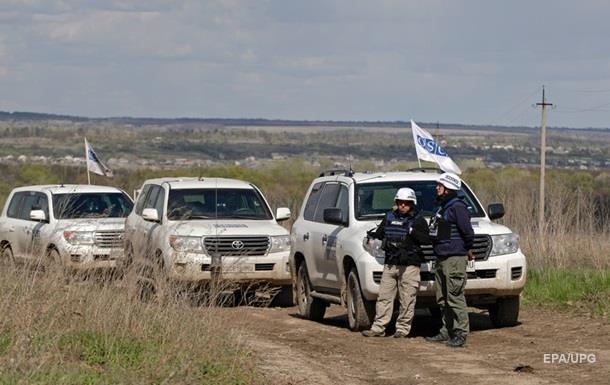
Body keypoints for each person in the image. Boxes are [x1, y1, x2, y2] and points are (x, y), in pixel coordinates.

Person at [361, 187, 431, 338]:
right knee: (384, 297)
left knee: (407, 299)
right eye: (400, 202)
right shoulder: (389, 217)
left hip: (410, 265)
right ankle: (378, 328)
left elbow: (427, 240)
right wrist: (371, 238)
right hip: (391, 263)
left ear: (412, 203)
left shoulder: (418, 220)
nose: (403, 206)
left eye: (406, 203)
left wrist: (412, 232)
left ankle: (402, 330)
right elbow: (379, 233)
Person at [425, 172, 475, 348]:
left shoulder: (457, 208)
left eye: (440, 185)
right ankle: (447, 331)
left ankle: (461, 333)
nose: (437, 188)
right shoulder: (443, 207)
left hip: (454, 258)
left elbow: (468, 233)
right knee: (442, 298)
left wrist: (465, 248)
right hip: (441, 257)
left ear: (448, 189)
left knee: (454, 296)